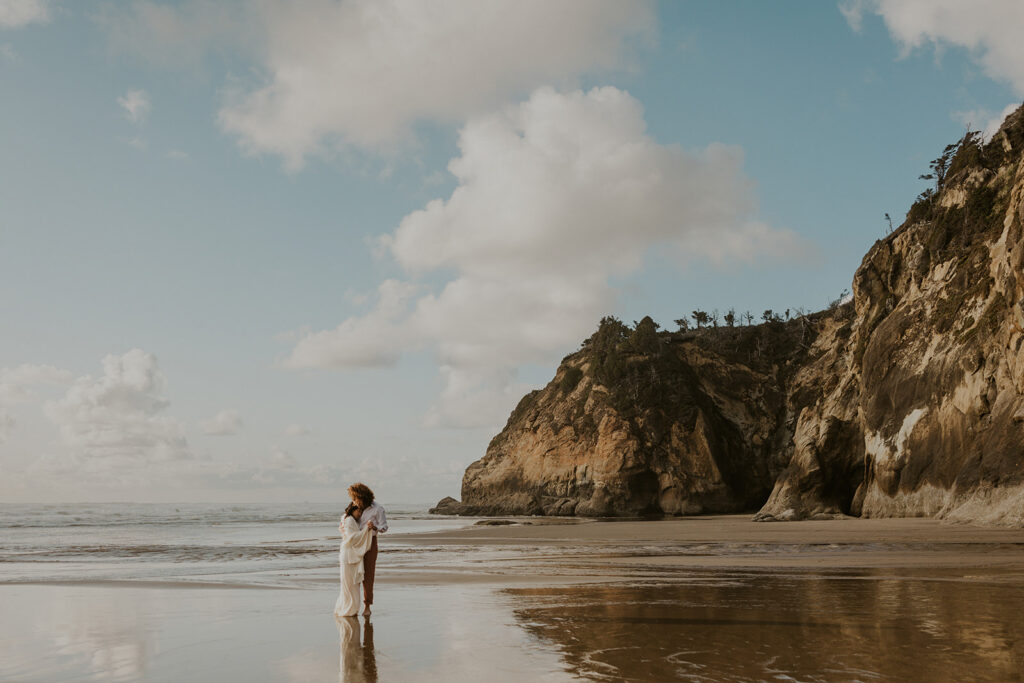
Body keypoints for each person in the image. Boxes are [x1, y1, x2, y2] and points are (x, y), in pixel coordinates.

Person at [348, 483, 387, 616]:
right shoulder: (353, 506)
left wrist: (375, 527)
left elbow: (384, 527)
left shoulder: (378, 509)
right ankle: (353, 604)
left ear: (361, 496)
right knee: (353, 575)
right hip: (355, 544)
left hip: (370, 543)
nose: (353, 500)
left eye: (355, 497)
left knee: (368, 576)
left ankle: (367, 605)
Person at [334, 502, 376, 618]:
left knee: (349, 584)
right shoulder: (349, 520)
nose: (360, 514)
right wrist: (366, 529)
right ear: (353, 509)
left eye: (362, 512)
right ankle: (349, 609)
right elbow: (352, 538)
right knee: (350, 584)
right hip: (349, 556)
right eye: (359, 511)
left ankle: (349, 608)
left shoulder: (345, 518)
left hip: (347, 554)